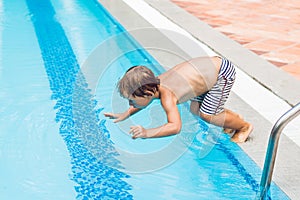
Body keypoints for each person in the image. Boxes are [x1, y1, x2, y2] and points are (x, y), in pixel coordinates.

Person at [104, 56, 253, 143]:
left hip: (221, 72)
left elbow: (175, 127)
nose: (131, 104)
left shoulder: (167, 96)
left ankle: (243, 126)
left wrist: (146, 133)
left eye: (132, 101)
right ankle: (232, 119)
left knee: (208, 114)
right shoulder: (153, 86)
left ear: (148, 94)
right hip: (207, 74)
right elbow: (141, 102)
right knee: (196, 109)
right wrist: (126, 114)